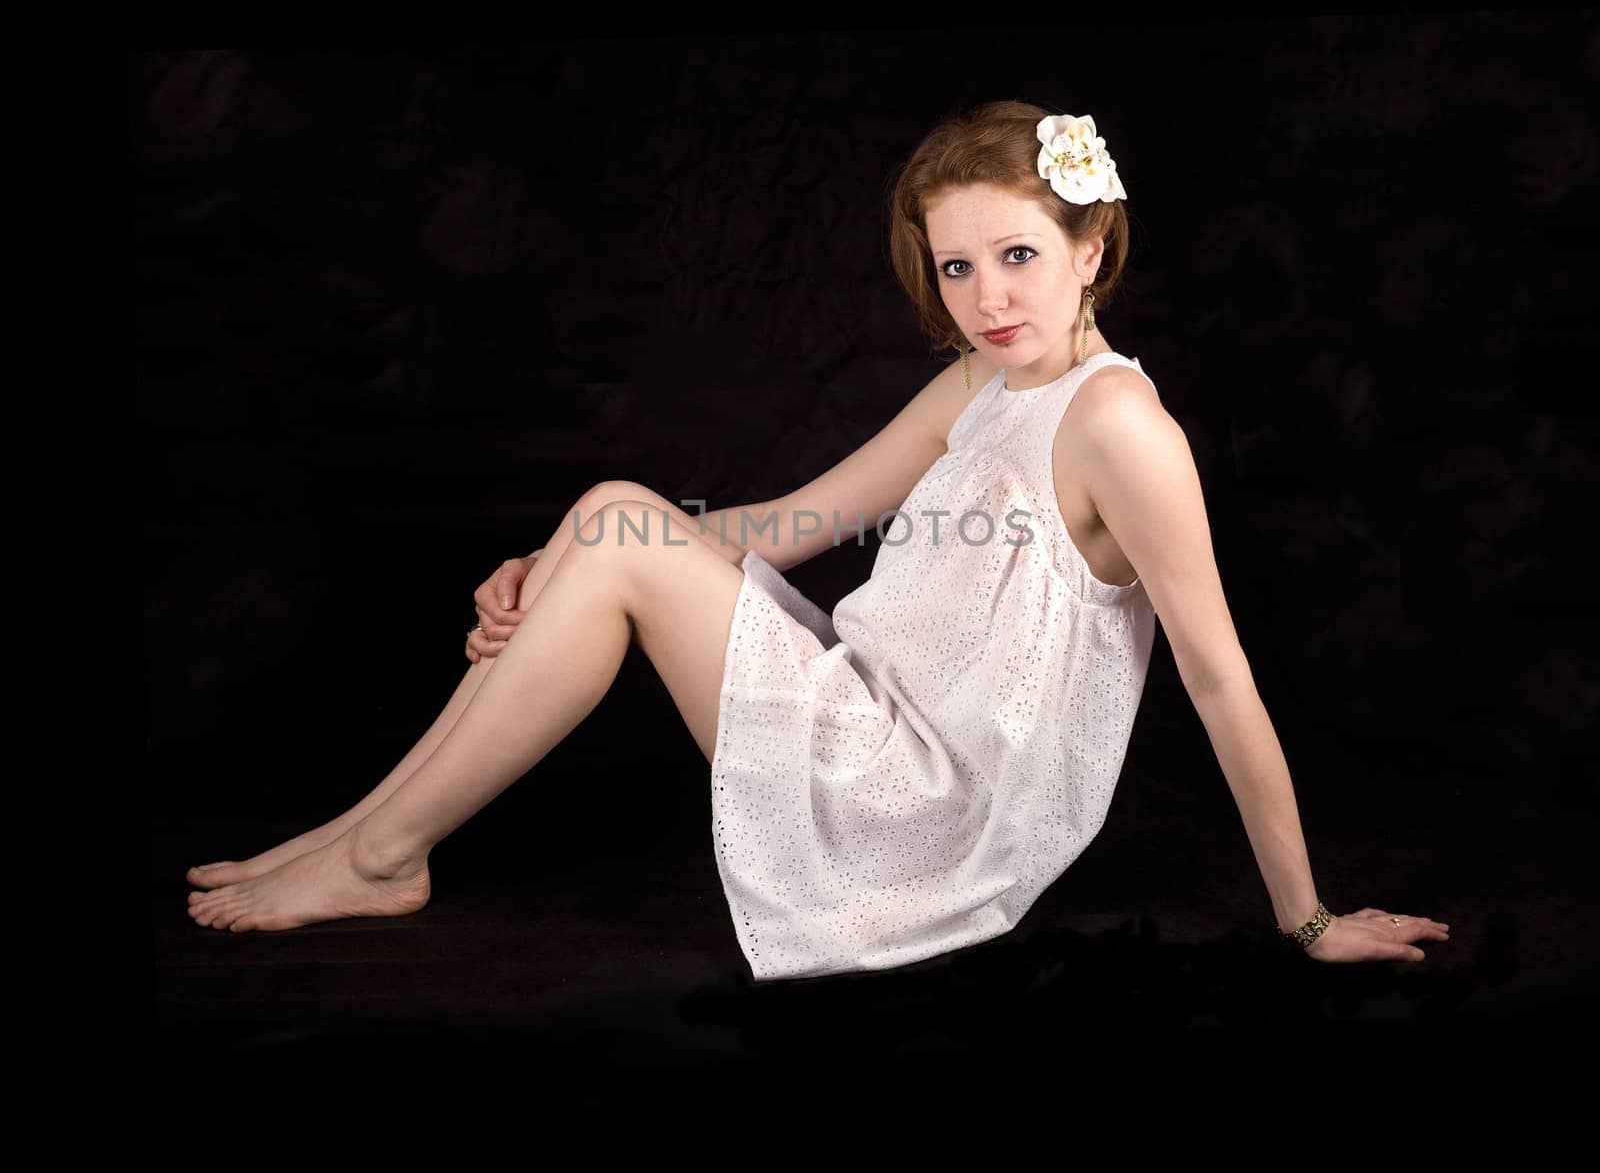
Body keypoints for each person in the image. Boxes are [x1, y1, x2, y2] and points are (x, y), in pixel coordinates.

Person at [185, 99, 1449, 979]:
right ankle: (364, 835)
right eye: (955, 269)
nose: (986, 298)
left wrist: (1306, 920)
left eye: (1016, 256)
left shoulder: (1121, 423)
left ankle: (379, 852)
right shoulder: (981, 381)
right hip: (863, 706)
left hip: (920, 809)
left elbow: (1218, 675)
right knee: (609, 511)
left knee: (621, 528)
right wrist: (552, 563)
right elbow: (787, 527)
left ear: (1091, 247)